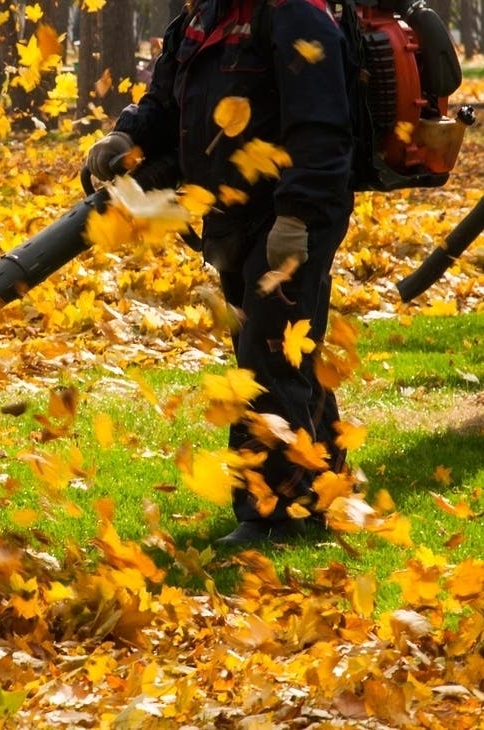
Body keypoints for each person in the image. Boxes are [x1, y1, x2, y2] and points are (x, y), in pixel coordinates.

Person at [86, 0, 354, 545]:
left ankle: (273, 515)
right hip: (233, 217)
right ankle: (322, 491)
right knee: (281, 350)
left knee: (267, 359)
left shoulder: (295, 13)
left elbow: (322, 127)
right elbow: (165, 103)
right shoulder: (199, 18)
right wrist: (126, 137)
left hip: (290, 213)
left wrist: (297, 216)